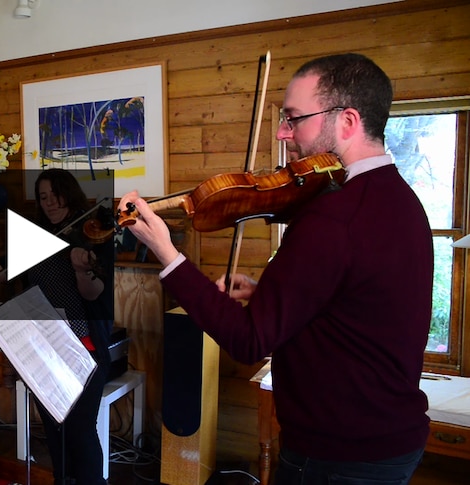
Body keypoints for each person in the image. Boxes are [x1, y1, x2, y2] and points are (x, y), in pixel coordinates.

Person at [119, 53, 433, 485]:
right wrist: (269, 290)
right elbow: (354, 298)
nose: (284, 134)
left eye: (294, 118)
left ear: (347, 122)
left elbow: (249, 341)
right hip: (387, 440)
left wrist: (166, 253)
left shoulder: (333, 217)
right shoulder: (400, 198)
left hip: (337, 456)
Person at [0, 168, 114, 485]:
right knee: (54, 429)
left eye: (56, 194)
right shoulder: (38, 236)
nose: (50, 202)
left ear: (69, 193)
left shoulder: (90, 236)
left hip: (83, 348)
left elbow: (95, 293)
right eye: (43, 197)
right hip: (45, 348)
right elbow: (6, 263)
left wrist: (81, 271)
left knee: (79, 430)